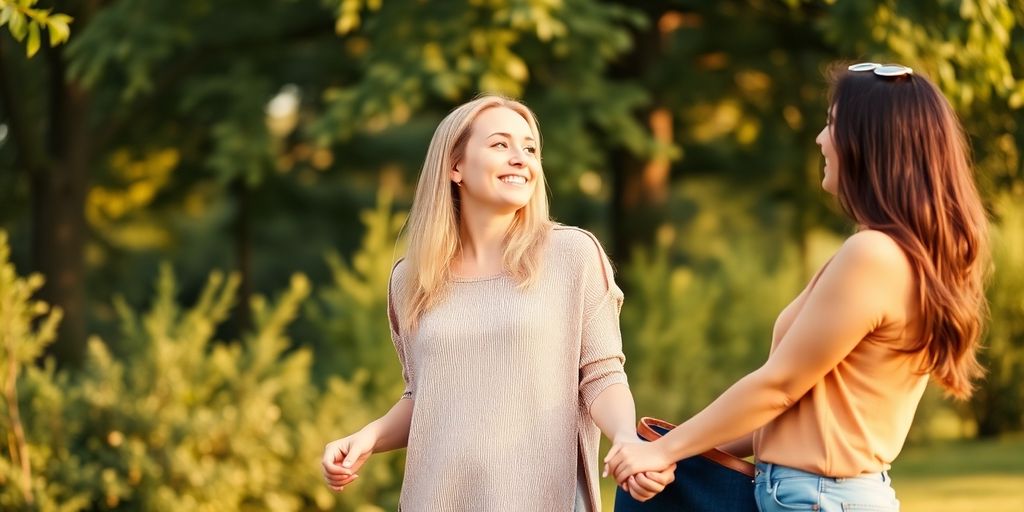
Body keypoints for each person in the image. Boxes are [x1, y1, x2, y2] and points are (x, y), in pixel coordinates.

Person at [604, 62, 990, 512]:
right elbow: (788, 408)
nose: (820, 139)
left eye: (831, 124)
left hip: (818, 500)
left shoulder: (874, 256)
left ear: (869, 145)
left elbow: (778, 386)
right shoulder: (894, 254)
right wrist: (672, 458)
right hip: (810, 496)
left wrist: (663, 451)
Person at [321, 95, 675, 511]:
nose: (520, 158)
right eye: (500, 145)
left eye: (529, 148)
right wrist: (369, 437)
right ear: (455, 167)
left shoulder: (572, 255)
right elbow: (426, 395)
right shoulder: (410, 279)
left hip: (544, 499)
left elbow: (602, 376)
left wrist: (627, 441)